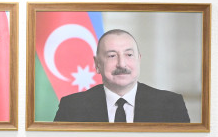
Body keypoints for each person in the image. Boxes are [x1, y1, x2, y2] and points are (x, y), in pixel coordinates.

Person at [53, 29, 190, 123]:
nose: (121, 64)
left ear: (139, 60)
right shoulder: (72, 107)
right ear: (97, 64)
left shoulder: (171, 105)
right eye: (112, 56)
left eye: (129, 55)